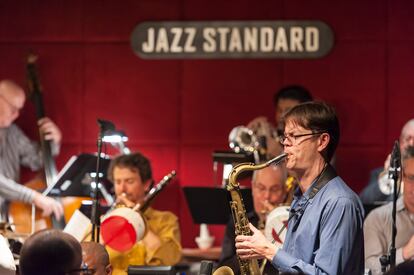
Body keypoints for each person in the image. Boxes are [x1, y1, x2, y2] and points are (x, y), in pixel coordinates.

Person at [235, 102, 364, 274]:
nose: (285, 144)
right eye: (285, 136)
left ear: (322, 141)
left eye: (294, 136)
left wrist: (269, 250)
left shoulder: (340, 203)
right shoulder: (301, 197)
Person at [105, 152, 181, 275]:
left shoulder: (166, 220)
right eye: (118, 182)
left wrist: (136, 219)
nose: (122, 189)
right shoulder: (104, 220)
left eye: (129, 181)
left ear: (146, 184)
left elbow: (170, 259)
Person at [0, 79, 63, 222]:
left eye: (19, 109)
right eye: (13, 108)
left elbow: (36, 160)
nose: (16, 115)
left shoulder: (12, 132)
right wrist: (33, 197)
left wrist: (54, 140)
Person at [218, 165, 289, 274]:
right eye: (261, 188)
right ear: (253, 188)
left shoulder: (292, 226)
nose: (266, 196)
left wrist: (277, 232)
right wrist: (248, 251)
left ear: (284, 191)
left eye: (274, 189)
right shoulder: (237, 222)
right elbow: (223, 267)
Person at [364, 146, 414, 275]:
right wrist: (405, 253)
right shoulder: (378, 218)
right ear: (402, 176)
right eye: (412, 178)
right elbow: (369, 268)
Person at [247, 85, 313, 158]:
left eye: (288, 110)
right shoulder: (275, 134)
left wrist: (279, 153)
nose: (281, 116)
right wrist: (249, 137)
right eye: (279, 110)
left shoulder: (309, 139)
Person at [360, 119, 414, 205]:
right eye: (407, 139)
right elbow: (364, 201)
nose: (411, 143)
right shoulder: (379, 174)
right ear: (400, 143)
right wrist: (388, 177)